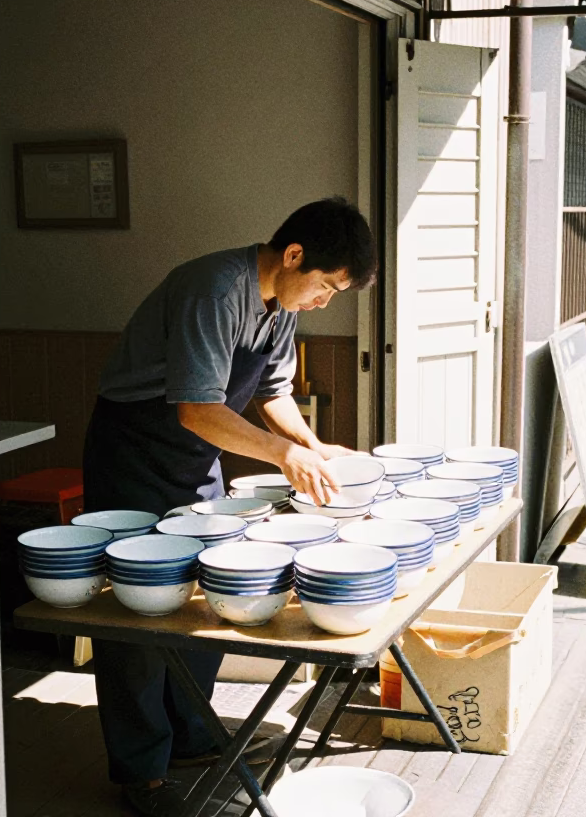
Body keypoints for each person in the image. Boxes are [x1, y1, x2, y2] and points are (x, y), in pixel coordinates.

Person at [82, 197, 378, 816]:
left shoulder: (281, 305)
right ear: (293, 255)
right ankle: (142, 772)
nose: (324, 301)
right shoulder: (214, 289)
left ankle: (192, 735)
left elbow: (271, 391)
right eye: (324, 285)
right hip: (135, 452)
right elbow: (195, 407)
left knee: (210, 593)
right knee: (136, 617)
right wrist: (280, 456)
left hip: (194, 458)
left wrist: (313, 445)